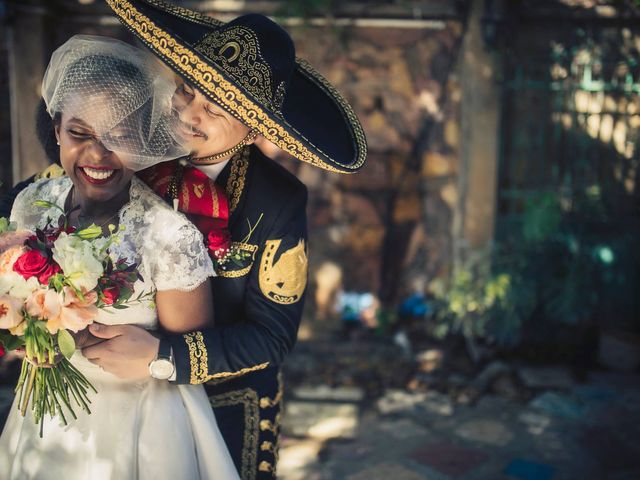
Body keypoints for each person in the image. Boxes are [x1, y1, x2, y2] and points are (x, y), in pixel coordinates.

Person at [1, 2, 368, 479]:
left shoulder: (275, 201)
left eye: (215, 110)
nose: (190, 114)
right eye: (187, 90)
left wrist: (161, 359)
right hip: (88, 407)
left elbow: (271, 336)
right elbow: (26, 214)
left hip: (224, 399)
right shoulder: (121, 140)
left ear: (254, 127)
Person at [0, 35, 239, 480]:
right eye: (79, 134)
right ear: (57, 131)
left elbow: (191, 353)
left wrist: (151, 358)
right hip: (44, 419)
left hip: (143, 427)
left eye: (120, 137)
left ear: (144, 142)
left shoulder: (168, 236)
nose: (97, 155)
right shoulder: (30, 205)